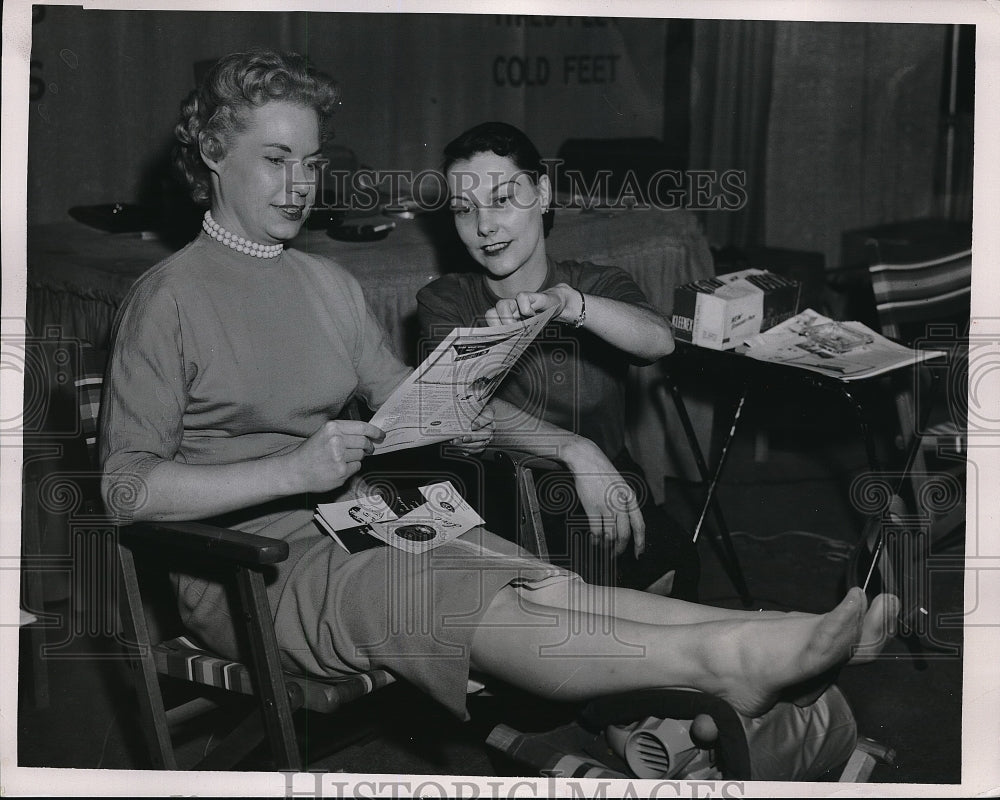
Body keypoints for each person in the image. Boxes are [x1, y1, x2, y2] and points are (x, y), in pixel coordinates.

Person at [99, 48, 899, 779]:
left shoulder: (325, 284)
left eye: (309, 162)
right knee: (470, 600)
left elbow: (410, 395)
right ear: (212, 154)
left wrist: (494, 425)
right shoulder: (167, 298)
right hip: (248, 569)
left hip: (353, 521)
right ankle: (731, 660)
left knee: (535, 582)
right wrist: (293, 470)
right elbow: (124, 490)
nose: (299, 184)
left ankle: (773, 637)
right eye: (275, 160)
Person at [417, 121, 698, 599]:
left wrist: (570, 305)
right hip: (502, 486)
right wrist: (573, 448)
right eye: (464, 210)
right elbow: (460, 404)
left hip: (605, 468)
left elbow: (659, 342)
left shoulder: (596, 284)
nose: (484, 226)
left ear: (543, 193)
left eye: (503, 199)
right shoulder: (444, 299)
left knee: (671, 569)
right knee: (589, 605)